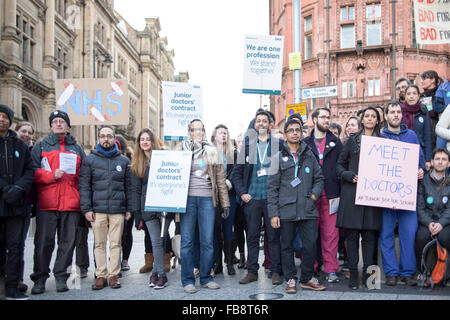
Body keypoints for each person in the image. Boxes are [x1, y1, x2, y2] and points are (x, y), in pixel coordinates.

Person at [30, 110, 86, 294]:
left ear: (68, 126)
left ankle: (62, 277)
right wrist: (50, 175)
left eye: (62, 121)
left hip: (70, 203)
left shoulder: (76, 148)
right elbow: (32, 171)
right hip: (47, 203)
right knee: (43, 243)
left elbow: (83, 177)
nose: (59, 124)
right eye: (55, 121)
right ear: (51, 125)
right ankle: (39, 278)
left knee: (68, 243)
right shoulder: (41, 146)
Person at [268, 119, 326, 293]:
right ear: (285, 135)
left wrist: (314, 195)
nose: (294, 133)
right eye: (291, 130)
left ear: (302, 133)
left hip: (307, 209)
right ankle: (291, 279)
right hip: (286, 210)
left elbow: (319, 178)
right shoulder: (276, 158)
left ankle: (307, 278)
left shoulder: (310, 155)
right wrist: (273, 213)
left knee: (309, 246)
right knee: (286, 246)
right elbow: (272, 188)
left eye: (297, 130)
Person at [232, 110, 283, 285]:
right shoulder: (247, 146)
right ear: (255, 125)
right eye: (258, 121)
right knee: (252, 236)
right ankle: (252, 271)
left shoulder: (278, 144)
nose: (261, 124)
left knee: (274, 236)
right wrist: (242, 193)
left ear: (270, 125)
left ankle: (275, 270)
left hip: (272, 199)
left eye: (264, 121)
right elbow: (236, 174)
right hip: (252, 199)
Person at [180, 119, 230, 294]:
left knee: (207, 241)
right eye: (194, 129)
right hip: (187, 200)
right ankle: (187, 280)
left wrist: (225, 203)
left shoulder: (212, 151)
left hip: (208, 199)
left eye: (201, 129)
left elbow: (221, 180)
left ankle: (206, 278)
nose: (198, 132)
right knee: (186, 241)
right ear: (190, 132)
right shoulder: (181, 150)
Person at [336, 106, 383, 290]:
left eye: (373, 116)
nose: (370, 119)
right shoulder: (352, 140)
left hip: (373, 196)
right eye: (367, 116)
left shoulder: (383, 142)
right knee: (353, 237)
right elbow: (339, 165)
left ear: (377, 120)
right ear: (362, 120)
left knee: (370, 237)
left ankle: (370, 278)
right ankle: (354, 276)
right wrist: (348, 175)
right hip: (353, 194)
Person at [79, 126, 131, 290]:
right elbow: (84, 186)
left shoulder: (123, 161)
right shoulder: (89, 160)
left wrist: (128, 209)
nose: (106, 139)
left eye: (109, 136)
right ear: (98, 138)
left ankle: (113, 275)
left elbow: (128, 187)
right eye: (102, 136)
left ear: (114, 138)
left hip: (117, 210)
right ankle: (101, 275)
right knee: (99, 244)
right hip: (98, 210)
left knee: (116, 244)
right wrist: (86, 208)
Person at [380, 102, 425, 286]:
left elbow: (420, 161)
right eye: (392, 112)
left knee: (409, 233)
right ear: (386, 116)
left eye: (398, 112)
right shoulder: (380, 137)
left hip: (407, 196)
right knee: (386, 234)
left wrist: (420, 171)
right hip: (384, 197)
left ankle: (408, 272)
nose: (396, 115)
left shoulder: (411, 136)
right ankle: (391, 272)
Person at [303, 107, 343, 283]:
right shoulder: (304, 143)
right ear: (314, 119)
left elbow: (342, 167)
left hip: (331, 193)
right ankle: (309, 269)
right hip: (310, 194)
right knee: (309, 233)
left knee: (331, 234)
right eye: (323, 117)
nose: (327, 120)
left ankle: (331, 270)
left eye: (329, 117)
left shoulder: (336, 142)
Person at [0, 105, 34, 300]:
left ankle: (12, 286)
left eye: (5, 117)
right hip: (2, 200)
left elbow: (30, 171)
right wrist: (5, 188)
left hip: (17, 204)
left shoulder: (20, 145)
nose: (2, 120)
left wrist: (18, 188)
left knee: (15, 247)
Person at [130, 128, 169, 289]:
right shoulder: (136, 163)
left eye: (148, 139)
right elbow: (135, 190)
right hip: (147, 207)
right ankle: (161, 274)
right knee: (156, 241)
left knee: (161, 239)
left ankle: (156, 272)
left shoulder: (164, 158)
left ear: (153, 141)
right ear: (139, 143)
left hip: (166, 205)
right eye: (142, 139)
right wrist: (137, 213)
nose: (145, 142)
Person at [415, 148, 450, 274]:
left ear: (448, 164)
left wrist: (441, 223)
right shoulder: (423, 181)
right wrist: (429, 223)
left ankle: (445, 273)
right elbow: (419, 207)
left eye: (444, 159)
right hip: (427, 222)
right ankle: (422, 272)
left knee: (445, 237)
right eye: (437, 159)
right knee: (420, 238)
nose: (440, 162)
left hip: (444, 222)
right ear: (432, 162)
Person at [211, 124, 238, 276]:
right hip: (214, 196)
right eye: (220, 133)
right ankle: (217, 263)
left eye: (225, 133)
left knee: (228, 230)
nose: (223, 135)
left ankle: (229, 263)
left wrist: (229, 183)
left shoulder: (233, 153)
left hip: (229, 194)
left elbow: (236, 171)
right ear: (214, 136)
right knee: (215, 230)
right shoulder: (209, 153)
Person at [14, 121, 37, 292]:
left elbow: (33, 177)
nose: (26, 135)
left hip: (24, 204)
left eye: (30, 132)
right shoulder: (7, 148)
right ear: (16, 131)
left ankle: (17, 279)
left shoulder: (32, 152)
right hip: (5, 203)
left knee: (18, 244)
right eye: (23, 131)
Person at [402, 85, 432, 170]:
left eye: (414, 93)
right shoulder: (400, 112)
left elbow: (427, 136)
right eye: (408, 94)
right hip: (403, 153)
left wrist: (428, 159)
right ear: (405, 96)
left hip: (420, 152)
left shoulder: (423, 111)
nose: (411, 96)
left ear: (419, 96)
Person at [115, 134, 133, 273]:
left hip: (126, 203)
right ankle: (115, 260)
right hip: (112, 202)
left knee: (126, 233)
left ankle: (124, 259)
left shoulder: (128, 161)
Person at [233, 133, 247, 269]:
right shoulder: (234, 156)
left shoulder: (250, 156)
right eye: (239, 141)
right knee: (238, 230)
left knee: (250, 229)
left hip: (248, 198)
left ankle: (249, 258)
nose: (241, 143)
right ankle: (242, 256)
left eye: (244, 141)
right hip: (237, 199)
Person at [420, 70, 444, 149]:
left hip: (440, 132)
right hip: (425, 134)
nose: (421, 81)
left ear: (433, 80)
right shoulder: (421, 96)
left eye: (424, 79)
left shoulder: (441, 94)